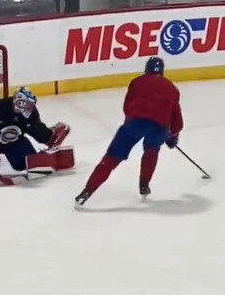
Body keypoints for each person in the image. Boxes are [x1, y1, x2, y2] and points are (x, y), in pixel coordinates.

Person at [75, 56, 183, 206]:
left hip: (135, 124)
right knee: (151, 152)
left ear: (146, 69)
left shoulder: (137, 82)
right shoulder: (172, 89)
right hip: (158, 128)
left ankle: (87, 192)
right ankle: (144, 186)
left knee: (111, 158)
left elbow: (127, 107)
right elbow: (176, 119)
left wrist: (132, 120)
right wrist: (172, 135)